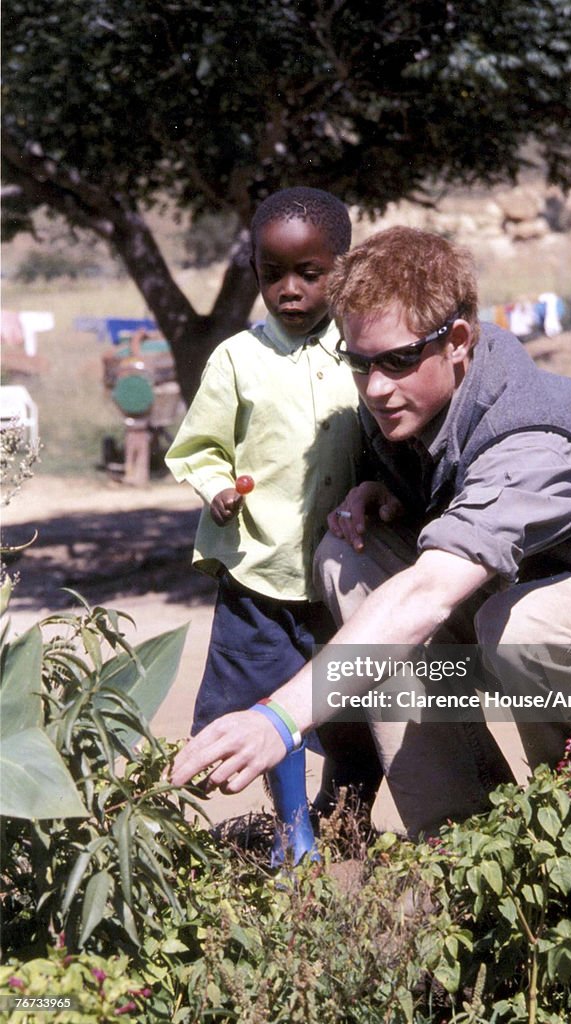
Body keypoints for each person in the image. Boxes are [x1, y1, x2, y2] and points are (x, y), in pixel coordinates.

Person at [171, 226, 571, 839]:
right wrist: (384, 495)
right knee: (350, 557)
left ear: (457, 340)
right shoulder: (414, 409)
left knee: (516, 625)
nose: (376, 387)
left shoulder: (536, 438)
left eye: (398, 360)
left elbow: (430, 590)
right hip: (535, 601)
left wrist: (279, 717)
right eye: (358, 363)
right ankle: (466, 839)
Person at [165, 187, 382, 863]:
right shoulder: (238, 359)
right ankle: (296, 832)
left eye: (308, 273)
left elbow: (387, 438)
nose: (288, 290)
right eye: (271, 274)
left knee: (354, 706)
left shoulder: (363, 351)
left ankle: (350, 814)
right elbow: (197, 447)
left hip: (342, 570)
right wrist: (216, 486)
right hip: (261, 570)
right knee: (270, 704)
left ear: (340, 269)